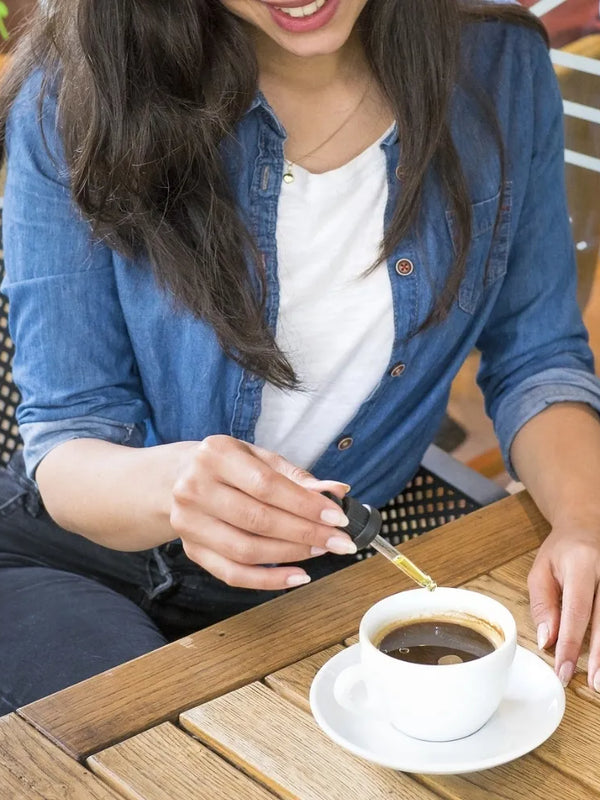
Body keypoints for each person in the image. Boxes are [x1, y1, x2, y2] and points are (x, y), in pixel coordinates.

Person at [1, 0, 600, 715]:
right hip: (69, 563)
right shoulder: (76, 85)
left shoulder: (500, 67)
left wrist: (584, 523)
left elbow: (537, 354)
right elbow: (69, 435)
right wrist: (175, 487)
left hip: (312, 591)